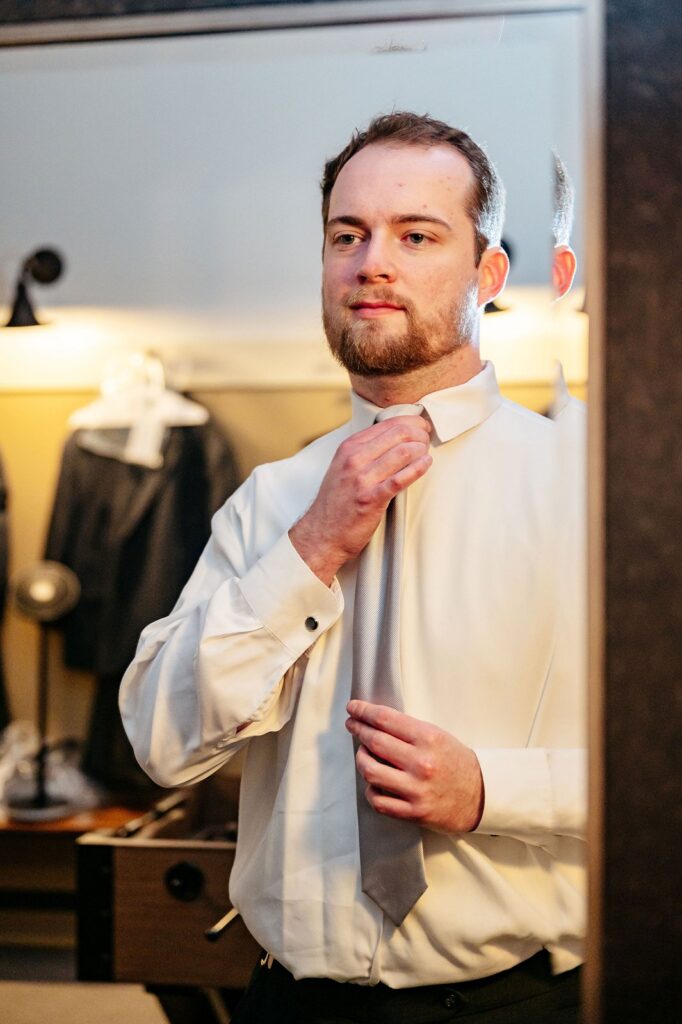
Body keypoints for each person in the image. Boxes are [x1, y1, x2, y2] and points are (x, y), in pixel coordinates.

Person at [120, 112, 585, 1023]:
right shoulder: (269, 501)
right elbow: (160, 743)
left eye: (417, 235)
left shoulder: (591, 493)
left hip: (517, 1005)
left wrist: (493, 790)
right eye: (348, 235)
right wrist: (310, 549)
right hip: (290, 1004)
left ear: (488, 275)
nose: (373, 261)